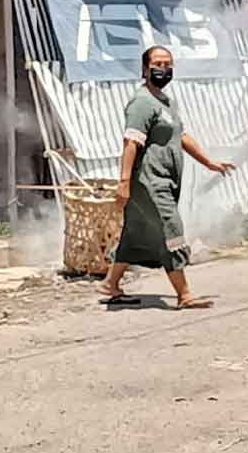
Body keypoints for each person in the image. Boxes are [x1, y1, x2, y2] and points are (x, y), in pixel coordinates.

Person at [98, 46, 235, 309]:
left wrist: (209, 162)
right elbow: (131, 142)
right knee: (171, 229)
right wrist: (123, 182)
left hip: (165, 179)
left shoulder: (167, 102)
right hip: (149, 181)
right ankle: (184, 295)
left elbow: (181, 135)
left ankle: (111, 284)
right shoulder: (141, 102)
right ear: (144, 69)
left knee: (136, 232)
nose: (164, 69)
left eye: (168, 64)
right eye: (157, 64)